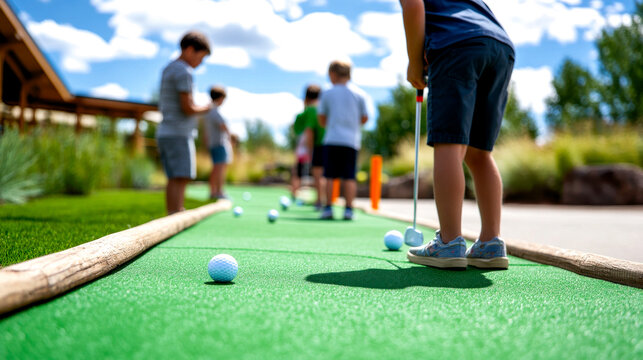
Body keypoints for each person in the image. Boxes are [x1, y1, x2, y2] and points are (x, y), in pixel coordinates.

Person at [401, 0, 514, 269]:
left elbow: (413, 5)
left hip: (456, 45)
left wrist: (415, 62)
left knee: (449, 143)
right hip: (500, 46)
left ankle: (449, 241)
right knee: (479, 152)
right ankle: (490, 242)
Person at [156, 31, 211, 215]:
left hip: (166, 131)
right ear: (189, 50)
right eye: (200, 57)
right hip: (178, 133)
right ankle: (177, 213)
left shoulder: (168, 68)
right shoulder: (183, 71)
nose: (200, 63)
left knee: (174, 177)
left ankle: (173, 213)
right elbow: (187, 107)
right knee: (181, 176)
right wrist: (206, 108)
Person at [318, 61, 368, 220]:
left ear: (333, 73)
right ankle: (348, 209)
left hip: (332, 139)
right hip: (351, 141)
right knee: (349, 176)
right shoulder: (359, 94)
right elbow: (365, 117)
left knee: (330, 176)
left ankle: (328, 208)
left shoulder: (327, 93)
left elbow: (321, 119)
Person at [291, 85, 325, 209]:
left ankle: (317, 200)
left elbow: (306, 130)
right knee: (321, 174)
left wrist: (310, 149)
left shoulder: (309, 110)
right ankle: (321, 200)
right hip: (322, 144)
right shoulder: (322, 110)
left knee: (309, 172)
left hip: (309, 146)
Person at [204, 85, 232, 200]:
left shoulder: (208, 110)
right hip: (219, 143)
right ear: (220, 98)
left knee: (216, 168)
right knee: (219, 168)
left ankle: (213, 192)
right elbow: (223, 126)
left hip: (213, 143)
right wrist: (230, 137)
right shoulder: (214, 111)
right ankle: (219, 192)